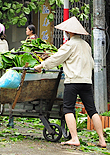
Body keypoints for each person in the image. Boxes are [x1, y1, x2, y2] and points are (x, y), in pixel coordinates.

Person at [34, 17, 106, 148]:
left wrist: (41, 66)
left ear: (69, 32)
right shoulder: (86, 45)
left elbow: (56, 58)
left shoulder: (69, 44)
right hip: (86, 81)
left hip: (72, 82)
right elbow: (91, 64)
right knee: (92, 110)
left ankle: (74, 138)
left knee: (68, 109)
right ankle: (102, 140)